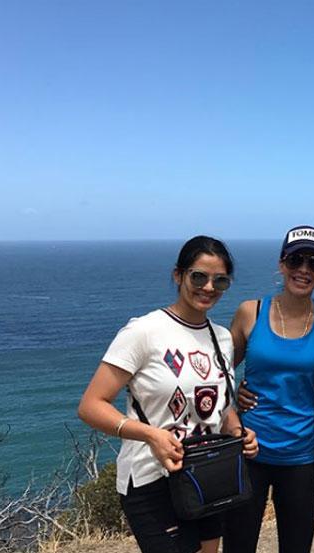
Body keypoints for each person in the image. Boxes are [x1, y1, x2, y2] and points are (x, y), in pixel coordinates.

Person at [78, 236, 258, 553]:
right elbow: (91, 405)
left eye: (220, 280)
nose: (208, 287)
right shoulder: (144, 332)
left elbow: (220, 403)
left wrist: (236, 430)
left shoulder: (222, 338)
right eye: (198, 276)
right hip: (151, 479)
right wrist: (150, 435)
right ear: (178, 275)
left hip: (206, 474)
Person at [222, 226, 314, 553]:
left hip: (301, 455)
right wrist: (231, 406)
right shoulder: (250, 312)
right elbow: (218, 375)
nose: (304, 270)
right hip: (248, 450)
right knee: (238, 546)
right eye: (296, 259)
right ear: (282, 263)